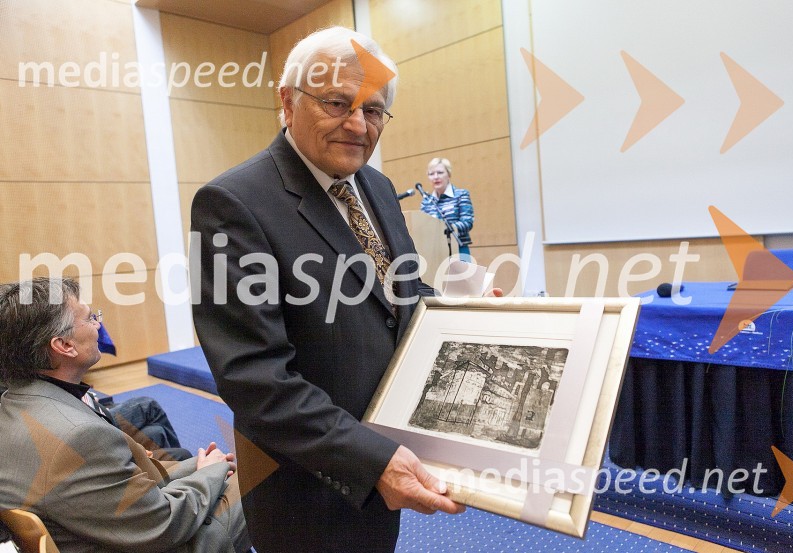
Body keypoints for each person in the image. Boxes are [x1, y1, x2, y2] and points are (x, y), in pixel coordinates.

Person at [190, 26, 465, 553]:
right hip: (305, 486)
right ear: (288, 102)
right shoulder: (233, 203)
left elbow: (400, 290)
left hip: (384, 459)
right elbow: (254, 379)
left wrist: (467, 313)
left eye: (374, 110)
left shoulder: (377, 187)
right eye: (337, 102)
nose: (358, 124)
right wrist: (369, 458)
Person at [0, 277, 251, 553]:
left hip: (115, 526)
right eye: (90, 318)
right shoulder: (78, 435)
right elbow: (164, 525)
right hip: (159, 539)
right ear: (65, 346)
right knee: (265, 478)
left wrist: (200, 468)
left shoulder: (14, 404)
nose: (98, 326)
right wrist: (212, 472)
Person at [420, 158, 475, 259]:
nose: (435, 177)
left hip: (459, 249)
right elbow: (424, 228)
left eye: (440, 172)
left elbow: (467, 222)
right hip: (435, 252)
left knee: (463, 275)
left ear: (449, 174)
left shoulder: (461, 195)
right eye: (431, 174)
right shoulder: (426, 201)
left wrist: (444, 230)